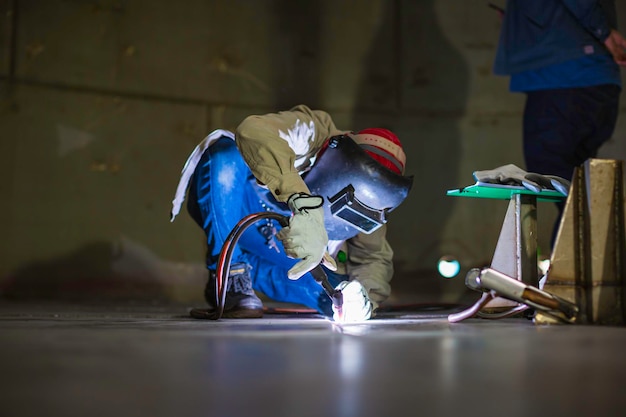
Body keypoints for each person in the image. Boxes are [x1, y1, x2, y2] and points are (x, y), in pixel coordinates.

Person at [170, 105, 412, 322]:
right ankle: (230, 277)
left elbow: (374, 258)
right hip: (233, 209)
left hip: (287, 254)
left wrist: (364, 296)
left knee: (338, 298)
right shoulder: (315, 130)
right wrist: (303, 203)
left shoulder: (376, 203)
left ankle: (247, 274)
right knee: (225, 153)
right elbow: (253, 130)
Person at [492, 0, 626, 242]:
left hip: (567, 78)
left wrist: (602, 32)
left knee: (561, 184)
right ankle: (582, 270)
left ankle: (585, 270)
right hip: (586, 78)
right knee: (573, 191)